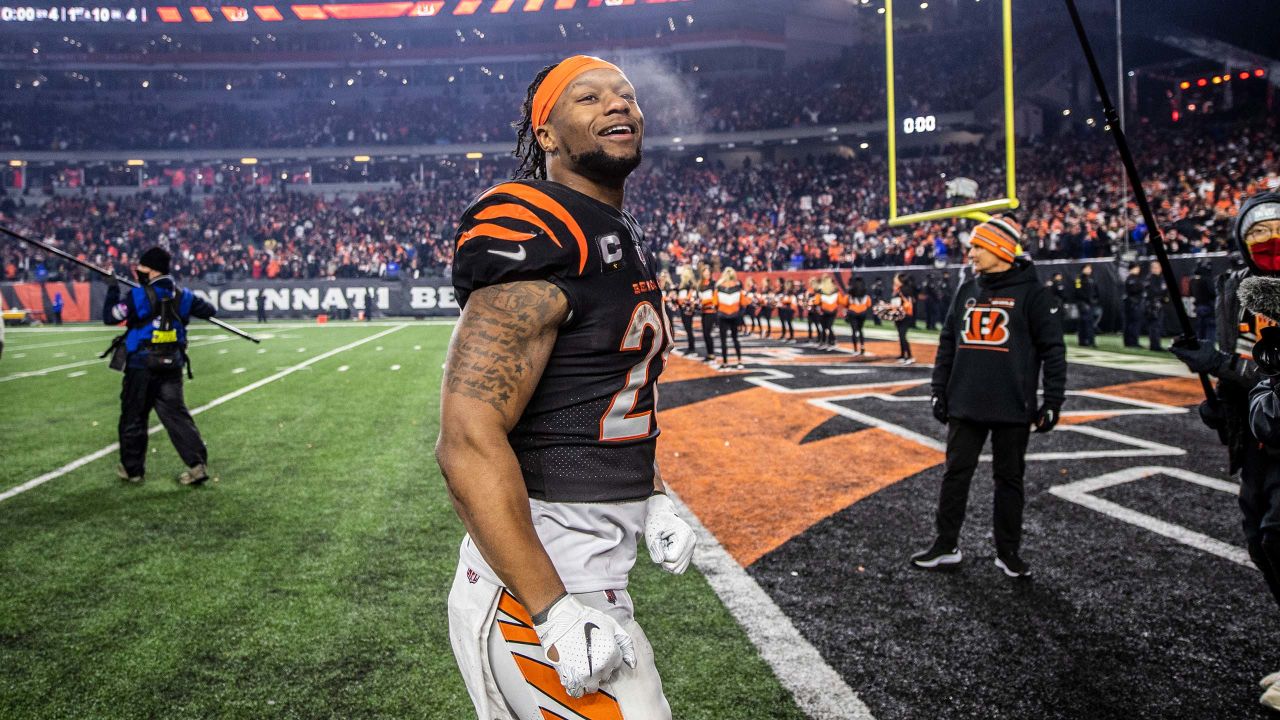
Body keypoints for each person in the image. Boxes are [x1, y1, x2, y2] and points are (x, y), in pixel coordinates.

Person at [436, 55, 696, 720]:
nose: (619, 106)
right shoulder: (536, 225)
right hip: (544, 587)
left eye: (627, 95)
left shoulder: (614, 231)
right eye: (588, 98)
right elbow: (466, 441)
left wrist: (653, 494)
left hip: (593, 572)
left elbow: (597, 391)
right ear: (546, 135)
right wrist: (552, 611)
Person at [1170, 193, 1280, 710]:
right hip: (1258, 438)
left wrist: (1221, 367)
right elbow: (1241, 355)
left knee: (1279, 539)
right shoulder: (1237, 286)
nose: (1270, 245)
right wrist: (1225, 406)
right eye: (1258, 235)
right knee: (1261, 541)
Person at [912, 216, 1066, 578]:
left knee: (1009, 479)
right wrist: (939, 389)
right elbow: (948, 341)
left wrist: (1053, 401)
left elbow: (1053, 351)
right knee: (955, 475)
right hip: (965, 402)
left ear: (999, 249)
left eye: (979, 246)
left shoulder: (1033, 295)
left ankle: (1007, 551)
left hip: (1012, 406)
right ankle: (946, 544)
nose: (972, 253)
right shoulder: (967, 289)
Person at [102, 246, 216, 485]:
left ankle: (133, 470)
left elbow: (110, 316)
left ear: (152, 270)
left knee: (134, 417)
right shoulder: (182, 295)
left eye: (141, 267)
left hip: (141, 366)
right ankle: (197, 465)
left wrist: (112, 288)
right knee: (177, 416)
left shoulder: (138, 296)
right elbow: (209, 310)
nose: (138, 271)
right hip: (172, 365)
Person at [716, 267, 745, 369]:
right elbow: (743, 303)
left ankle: (725, 362)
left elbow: (715, 303)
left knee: (723, 340)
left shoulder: (719, 287)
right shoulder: (738, 287)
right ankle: (739, 361)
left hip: (722, 316)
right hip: (735, 316)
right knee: (735, 339)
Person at [1145, 260, 1170, 351]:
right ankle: (1155, 346)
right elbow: (1153, 292)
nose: (1157, 269)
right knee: (1154, 326)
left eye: (1158, 267)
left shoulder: (1161, 278)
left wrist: (1164, 298)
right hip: (1153, 305)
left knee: (1157, 326)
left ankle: (1156, 344)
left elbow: (1165, 292)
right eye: (1155, 267)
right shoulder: (1151, 278)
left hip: (1160, 305)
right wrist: (1161, 296)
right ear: (1152, 269)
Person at [1189, 259, 1217, 343]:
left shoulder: (1193, 279)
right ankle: (1208, 349)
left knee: (1200, 329)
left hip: (1198, 306)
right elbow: (1212, 292)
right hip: (1208, 306)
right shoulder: (1207, 278)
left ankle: (1199, 348)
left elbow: (1191, 293)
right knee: (1210, 328)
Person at [843, 274, 871, 355]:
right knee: (861, 330)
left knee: (854, 331)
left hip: (853, 312)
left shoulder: (851, 291)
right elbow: (868, 304)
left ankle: (855, 349)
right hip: (863, 312)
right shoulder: (865, 291)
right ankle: (862, 347)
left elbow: (845, 303)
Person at [1074, 264, 1101, 347]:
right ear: (1083, 269)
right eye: (1087, 268)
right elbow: (1078, 291)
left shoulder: (1091, 279)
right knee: (1084, 323)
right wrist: (1086, 300)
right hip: (1083, 303)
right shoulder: (1078, 279)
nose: (1089, 270)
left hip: (1091, 304)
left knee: (1090, 323)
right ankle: (1084, 340)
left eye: (1090, 268)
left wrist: (1095, 299)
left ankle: (1090, 340)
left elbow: (1096, 291)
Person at [675, 267, 698, 356]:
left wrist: (681, 300)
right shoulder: (683, 286)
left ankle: (691, 348)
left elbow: (691, 298)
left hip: (688, 310)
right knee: (688, 328)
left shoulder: (690, 285)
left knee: (688, 329)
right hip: (683, 309)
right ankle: (691, 347)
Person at [697, 264, 718, 363]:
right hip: (704, 311)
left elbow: (714, 299)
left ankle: (711, 354)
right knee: (705, 334)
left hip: (711, 312)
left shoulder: (713, 283)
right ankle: (710, 354)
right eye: (705, 272)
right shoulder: (700, 284)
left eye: (708, 272)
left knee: (707, 333)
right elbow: (700, 298)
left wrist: (704, 301)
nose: (706, 274)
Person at [1123, 262, 1145, 347]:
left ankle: (1130, 342)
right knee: (1133, 323)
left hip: (1133, 303)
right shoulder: (1132, 278)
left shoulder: (1134, 278)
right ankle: (1132, 342)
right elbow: (1134, 290)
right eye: (1136, 268)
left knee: (1132, 323)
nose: (1138, 269)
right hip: (1133, 304)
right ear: (1132, 269)